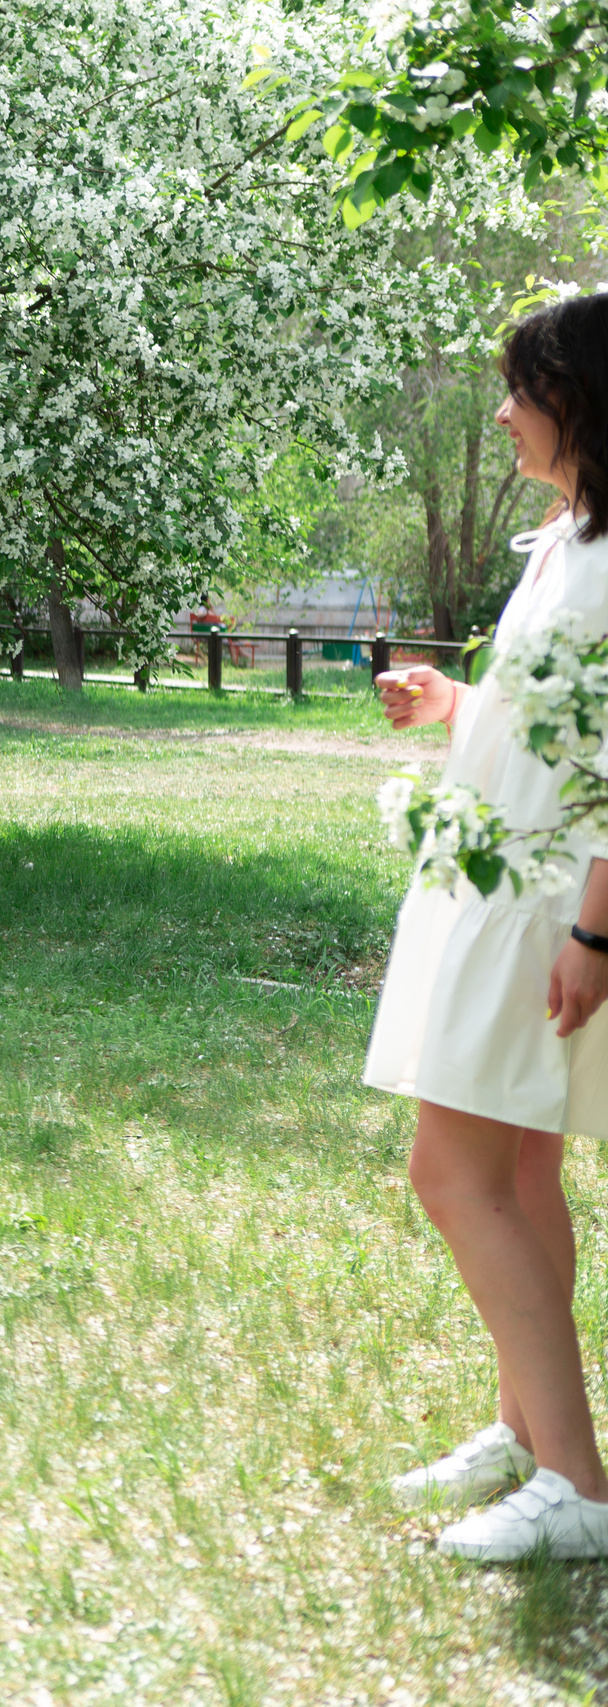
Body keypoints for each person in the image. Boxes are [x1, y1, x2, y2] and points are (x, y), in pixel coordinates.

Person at [367, 293, 608, 1562]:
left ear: (581, 400)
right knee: (513, 1175)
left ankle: (577, 1486)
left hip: (549, 905)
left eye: (522, 388)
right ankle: (527, 1436)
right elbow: (551, 722)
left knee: (449, 1174)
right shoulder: (567, 542)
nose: (504, 411)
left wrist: (596, 936)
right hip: (502, 881)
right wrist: (452, 704)